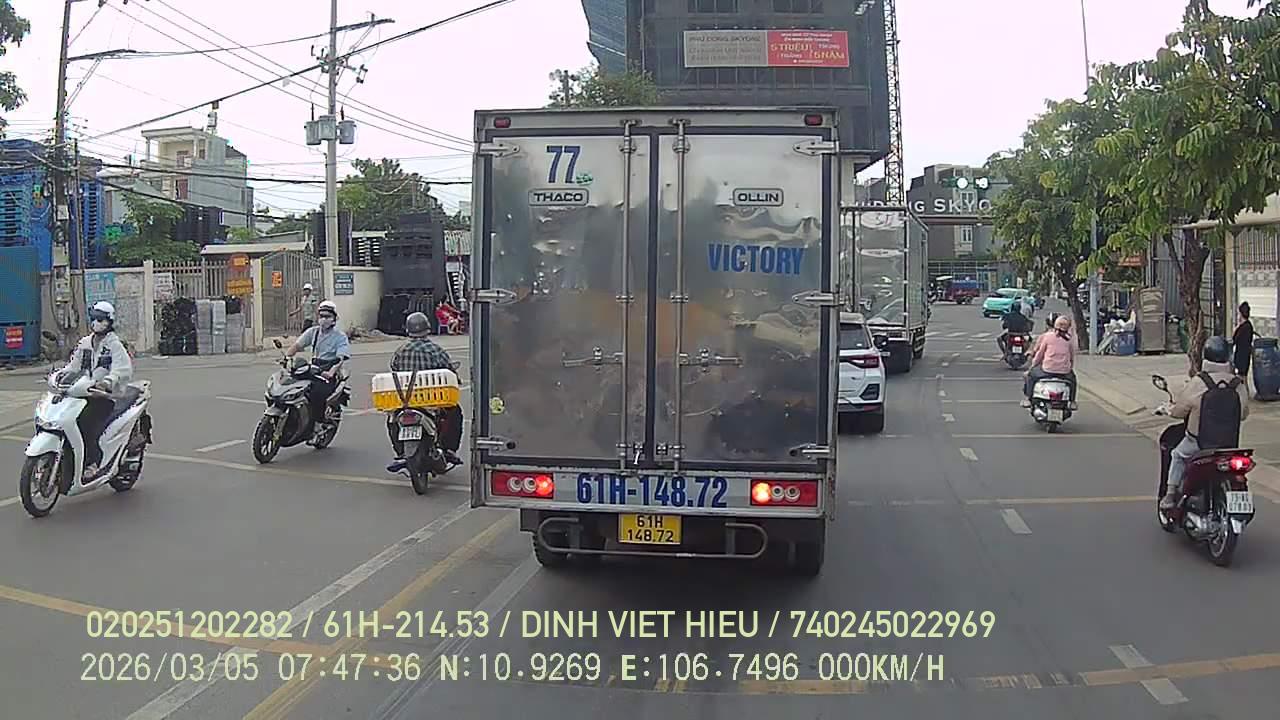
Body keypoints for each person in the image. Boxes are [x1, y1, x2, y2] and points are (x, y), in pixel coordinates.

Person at [1161, 336, 1251, 510]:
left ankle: (1170, 496)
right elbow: (1243, 414)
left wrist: (1169, 409)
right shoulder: (1237, 384)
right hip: (1229, 446)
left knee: (1177, 455)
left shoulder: (1199, 382)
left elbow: (1179, 411)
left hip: (1198, 443)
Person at [59, 301, 134, 477]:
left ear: (109, 322)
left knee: (85, 425)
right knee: (63, 419)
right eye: (94, 319)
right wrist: (60, 375)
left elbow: (123, 369)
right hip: (81, 394)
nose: (96, 323)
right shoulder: (85, 343)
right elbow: (73, 366)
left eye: (100, 319)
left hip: (104, 397)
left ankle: (93, 463)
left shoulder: (114, 345)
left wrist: (108, 382)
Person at [386, 312, 463, 471]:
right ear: (427, 328)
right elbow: (448, 369)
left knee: (392, 419)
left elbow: (394, 368)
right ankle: (449, 450)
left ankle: (400, 453)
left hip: (406, 400)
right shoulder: (435, 350)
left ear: (408, 330)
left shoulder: (400, 351)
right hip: (431, 399)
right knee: (455, 413)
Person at [285, 300, 350, 428]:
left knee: (317, 393)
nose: (324, 319)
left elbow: (340, 358)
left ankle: (317, 422)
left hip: (328, 370)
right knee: (292, 385)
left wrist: (331, 372)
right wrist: (287, 357)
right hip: (313, 367)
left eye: (327, 316)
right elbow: (297, 345)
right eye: (321, 316)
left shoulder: (340, 336)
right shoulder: (313, 332)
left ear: (334, 318)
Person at [1022, 314, 1077, 408]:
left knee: (1031, 376)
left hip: (1047, 370)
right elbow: (1071, 357)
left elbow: (1040, 354)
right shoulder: (1069, 340)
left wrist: (1033, 366)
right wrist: (1069, 367)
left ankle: (1028, 399)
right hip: (1064, 372)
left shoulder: (1047, 337)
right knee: (1073, 380)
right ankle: (1072, 402)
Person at [1232, 302, 1255, 379]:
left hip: (1241, 355)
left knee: (1240, 377)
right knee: (1244, 377)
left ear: (1241, 314)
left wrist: (1237, 326)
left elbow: (1234, 339)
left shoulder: (1243, 327)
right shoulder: (1249, 325)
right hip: (1246, 355)